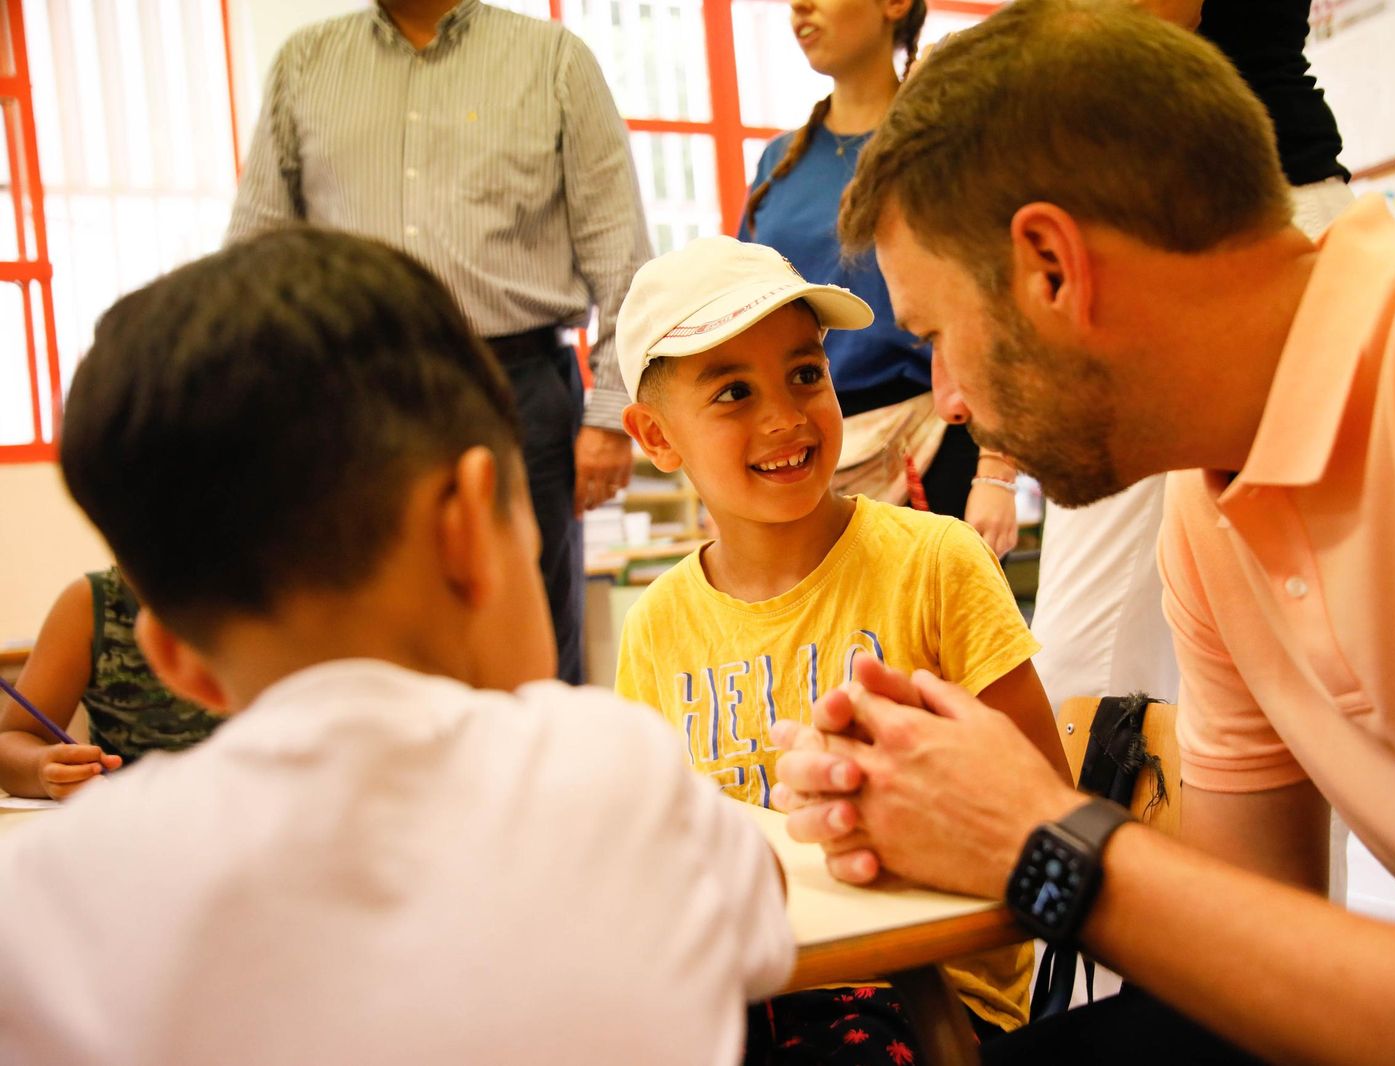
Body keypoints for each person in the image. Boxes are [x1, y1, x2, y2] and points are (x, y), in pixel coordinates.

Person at [774, 1, 1395, 1062]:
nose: (951, 400)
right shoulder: (1210, 512)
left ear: (1052, 266)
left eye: (938, 334)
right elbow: (1249, 984)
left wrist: (1039, 836)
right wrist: (947, 804)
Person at [0, 228, 792, 1065]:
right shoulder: (621, 776)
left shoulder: (46, 902)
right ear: (469, 527)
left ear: (175, 657)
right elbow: (761, 909)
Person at [611, 235, 1069, 1055]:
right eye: (733, 393)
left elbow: (1049, 811)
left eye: (804, 374)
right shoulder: (656, 624)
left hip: (928, 998)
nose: (784, 418)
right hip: (749, 992)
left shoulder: (936, 562)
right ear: (656, 436)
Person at [1028, 0, 1358, 909]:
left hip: (1216, 221)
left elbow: (1135, 29)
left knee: (1107, 656)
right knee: (1215, 660)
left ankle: (1126, 957)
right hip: (1209, 214)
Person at [226, 0, 654, 684]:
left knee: (532, 639)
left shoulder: (553, 61)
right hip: (352, 398)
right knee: (366, 635)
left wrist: (610, 416)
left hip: (516, 388)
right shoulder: (306, 63)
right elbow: (258, 255)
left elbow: (621, 257)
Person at [740, 0, 1021, 555]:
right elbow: (742, 312)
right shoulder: (780, 161)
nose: (799, 6)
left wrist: (997, 470)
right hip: (799, 449)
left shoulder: (940, 141)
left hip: (934, 445)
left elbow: (1000, 297)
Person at [0, 568, 223, 800]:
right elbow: (11, 742)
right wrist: (42, 769)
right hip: (128, 811)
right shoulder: (91, 603)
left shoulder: (248, 596)